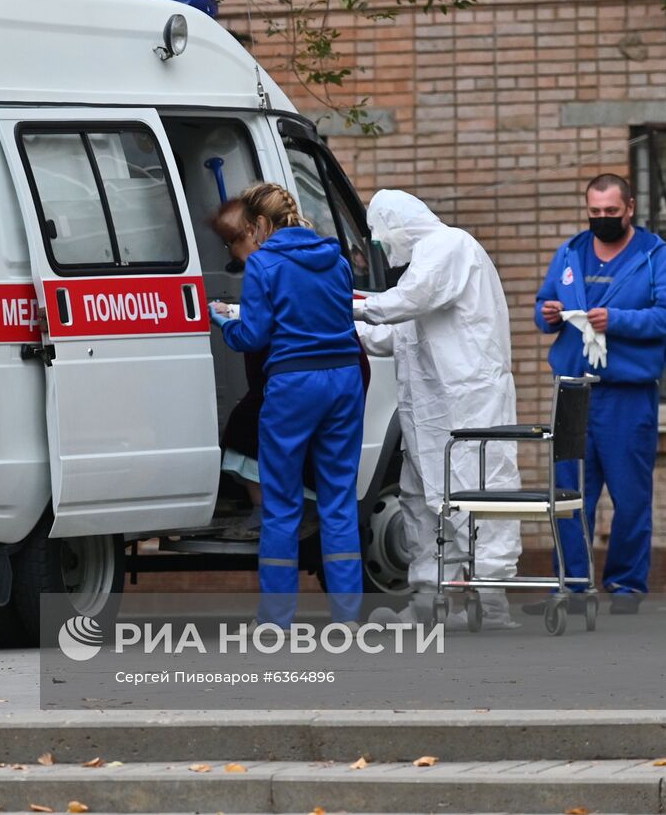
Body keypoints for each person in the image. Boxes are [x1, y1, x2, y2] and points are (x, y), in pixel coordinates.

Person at [353, 189, 522, 630]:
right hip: (432, 416)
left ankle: (491, 599)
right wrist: (341, 324)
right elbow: (395, 335)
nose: (382, 247)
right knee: (420, 501)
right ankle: (429, 602)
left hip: (468, 405)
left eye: (381, 236)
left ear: (397, 225)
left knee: (477, 493)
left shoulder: (449, 247)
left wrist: (349, 306)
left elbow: (406, 303)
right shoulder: (423, 268)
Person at [530, 173, 666, 615]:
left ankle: (625, 585)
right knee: (569, 493)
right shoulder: (572, 251)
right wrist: (548, 315)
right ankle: (574, 586)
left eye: (611, 213)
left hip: (627, 394)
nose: (601, 220)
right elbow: (544, 307)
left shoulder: (654, 257)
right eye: (594, 212)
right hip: (573, 391)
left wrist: (615, 320)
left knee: (630, 494)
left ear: (630, 208)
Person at [210, 183, 365, 627]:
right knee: (338, 500)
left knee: (281, 503)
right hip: (344, 378)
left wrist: (223, 321)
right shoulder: (335, 260)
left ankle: (276, 619)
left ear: (260, 225)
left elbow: (254, 336)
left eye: (249, 229)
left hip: (293, 386)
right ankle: (348, 616)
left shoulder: (263, 263)